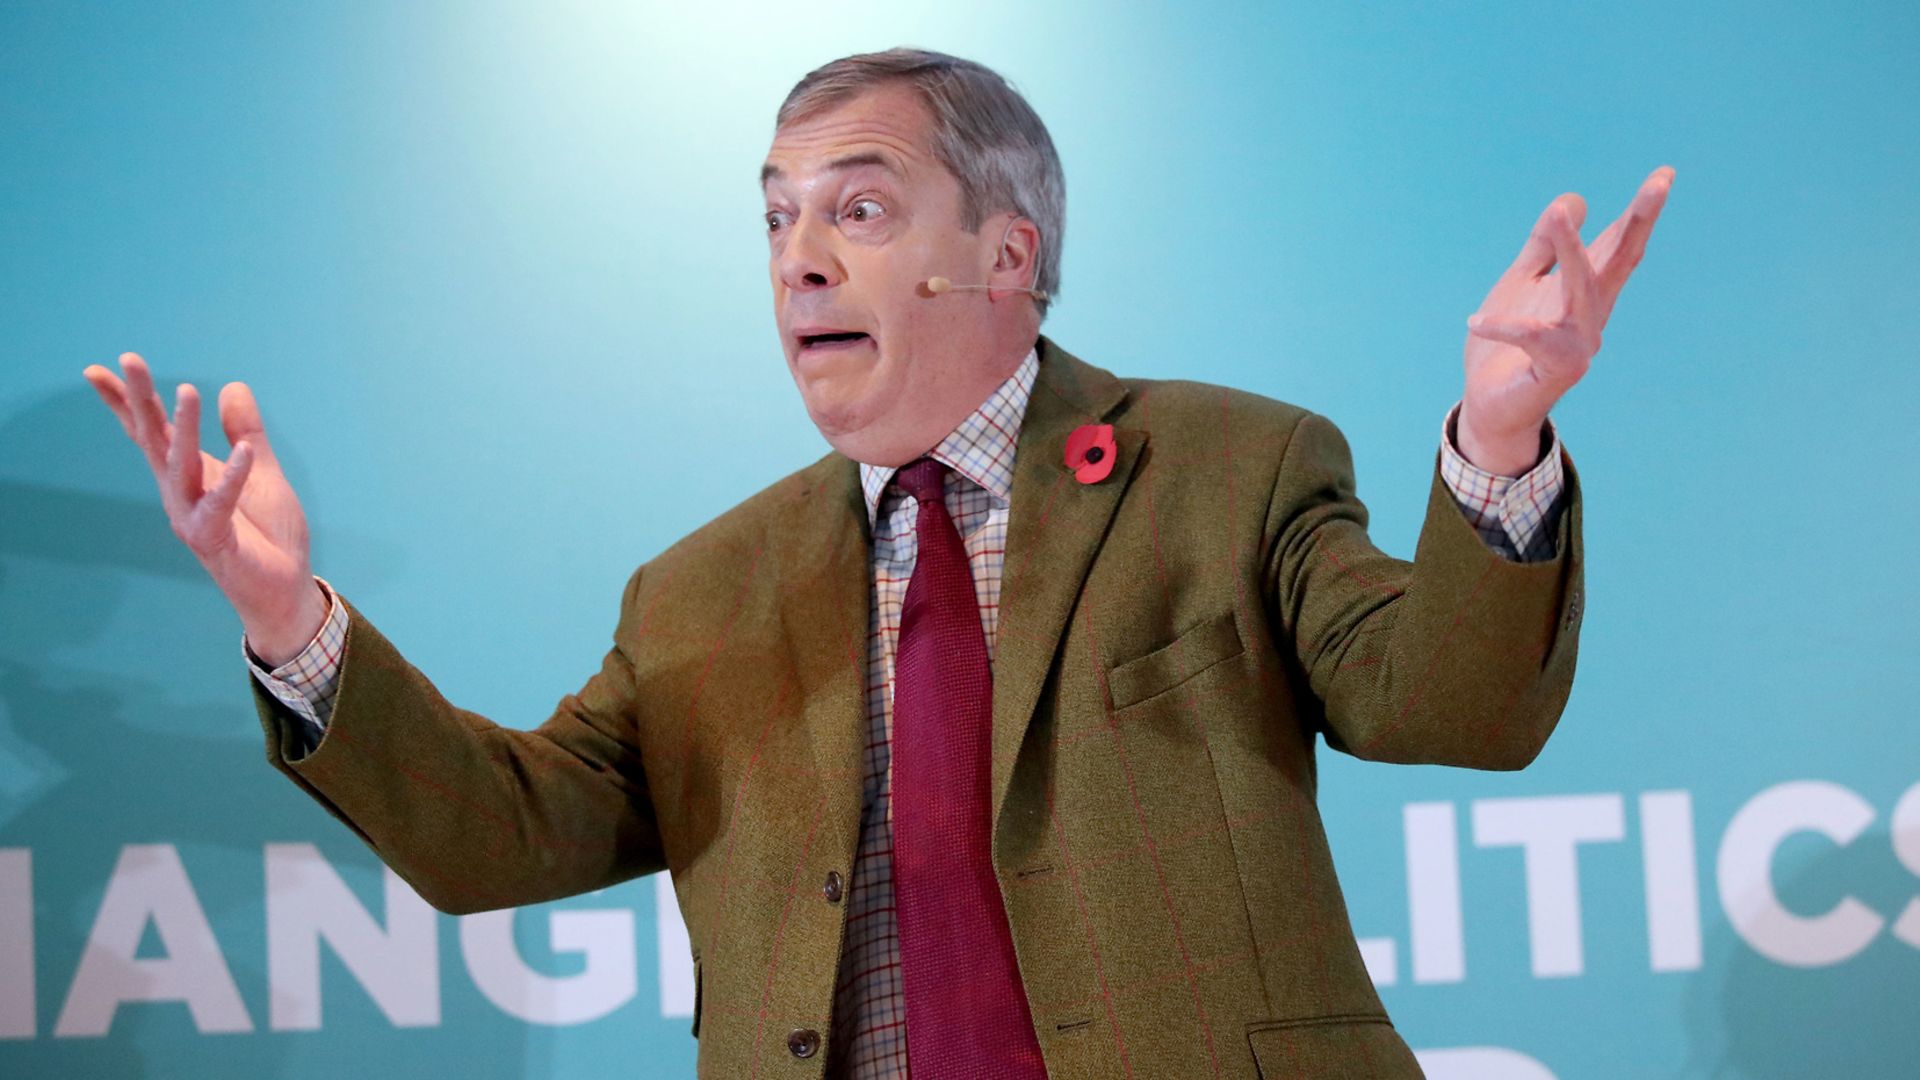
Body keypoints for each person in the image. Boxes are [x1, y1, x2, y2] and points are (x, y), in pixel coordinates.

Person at [84, 47, 1671, 1080]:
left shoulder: (1227, 468)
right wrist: (286, 617)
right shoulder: (703, 589)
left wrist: (1499, 438)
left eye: (856, 204)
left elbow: (1453, 703)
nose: (799, 259)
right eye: (775, 221)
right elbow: (504, 837)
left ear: (1005, 255)